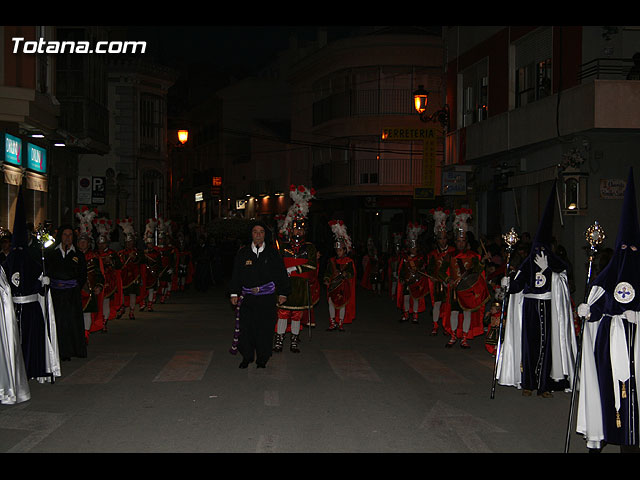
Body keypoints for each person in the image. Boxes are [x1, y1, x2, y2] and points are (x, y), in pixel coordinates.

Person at [577, 168, 640, 450]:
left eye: (633, 249)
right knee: (603, 387)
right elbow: (598, 305)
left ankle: (632, 439)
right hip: (607, 344)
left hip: (636, 343)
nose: (628, 254)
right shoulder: (608, 276)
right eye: (624, 248)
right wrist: (587, 311)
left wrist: (637, 316)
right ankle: (599, 436)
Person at [497, 184, 576, 397]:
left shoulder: (555, 263)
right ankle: (528, 383)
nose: (539, 252)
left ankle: (545, 385)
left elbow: (565, 279)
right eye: (536, 248)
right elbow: (517, 286)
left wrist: (549, 270)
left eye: (543, 249)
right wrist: (507, 283)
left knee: (547, 346)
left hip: (549, 307)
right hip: (530, 307)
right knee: (529, 346)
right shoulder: (527, 264)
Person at [3, 187, 60, 382]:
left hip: (30, 309)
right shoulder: (6, 263)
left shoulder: (34, 261)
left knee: (31, 341)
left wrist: (43, 283)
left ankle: (34, 368)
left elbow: (42, 290)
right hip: (11, 309)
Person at [229, 221, 290, 368]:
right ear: (251, 234)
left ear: (265, 235)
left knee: (265, 329)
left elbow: (281, 273)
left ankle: (262, 358)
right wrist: (233, 293)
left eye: (261, 232)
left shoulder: (272, 253)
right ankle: (247, 356)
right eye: (255, 232)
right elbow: (236, 274)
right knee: (247, 329)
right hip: (248, 299)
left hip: (266, 299)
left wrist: (283, 292)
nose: (258, 235)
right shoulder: (243, 253)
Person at [275, 184, 318, 353]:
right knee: (283, 314)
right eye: (295, 229)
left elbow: (312, 265)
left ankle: (293, 341)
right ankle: (279, 341)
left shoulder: (310, 248)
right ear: (290, 231)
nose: (298, 232)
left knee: (296, 315)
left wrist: (294, 270)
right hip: (285, 285)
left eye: (300, 229)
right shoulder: (283, 247)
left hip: (300, 287)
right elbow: (277, 265)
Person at [440, 209, 487, 348]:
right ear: (455, 241)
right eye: (459, 241)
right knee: (454, 312)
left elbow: (477, 271)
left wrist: (483, 261)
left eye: (463, 241)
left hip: (467, 289)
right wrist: (448, 279)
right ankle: (453, 336)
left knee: (467, 313)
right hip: (455, 288)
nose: (461, 243)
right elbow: (442, 271)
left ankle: (464, 338)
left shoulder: (473, 256)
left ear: (466, 242)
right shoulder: (450, 255)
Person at [46, 224, 88, 361]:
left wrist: (74, 286)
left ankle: (72, 350)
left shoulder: (78, 254)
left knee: (71, 321)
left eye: (70, 235)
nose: (67, 238)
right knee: (58, 321)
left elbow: (82, 274)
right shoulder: (51, 252)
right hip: (56, 293)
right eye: (65, 235)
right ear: (60, 237)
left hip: (71, 294)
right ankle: (57, 350)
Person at [324, 220, 356, 331]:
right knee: (331, 303)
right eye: (337, 250)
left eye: (340, 250)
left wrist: (345, 274)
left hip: (343, 286)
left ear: (344, 250)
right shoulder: (332, 261)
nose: (338, 252)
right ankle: (332, 322)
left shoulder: (348, 261)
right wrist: (327, 279)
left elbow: (352, 273)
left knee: (342, 304)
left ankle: (340, 322)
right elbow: (328, 272)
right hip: (333, 285)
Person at [427, 207, 454, 335]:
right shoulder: (433, 254)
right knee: (437, 304)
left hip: (451, 282)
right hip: (438, 281)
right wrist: (432, 276)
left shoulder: (453, 252)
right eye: (440, 239)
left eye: (444, 238)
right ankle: (435, 325)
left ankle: (448, 326)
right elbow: (431, 267)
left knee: (450, 306)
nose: (442, 241)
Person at [93, 218, 123, 331]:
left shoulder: (112, 254)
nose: (101, 246)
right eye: (99, 244)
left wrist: (111, 262)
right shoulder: (94, 254)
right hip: (97, 280)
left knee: (105, 302)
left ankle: (104, 322)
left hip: (109, 281)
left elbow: (119, 266)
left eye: (103, 243)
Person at [396, 222, 428, 324]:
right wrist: (401, 277)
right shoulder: (405, 258)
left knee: (415, 299)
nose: (413, 249)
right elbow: (401, 269)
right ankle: (405, 314)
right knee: (406, 298)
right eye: (411, 247)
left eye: (414, 248)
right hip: (407, 280)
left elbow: (423, 269)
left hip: (416, 281)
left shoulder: (420, 258)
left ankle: (415, 315)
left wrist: (420, 272)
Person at [117, 218, 144, 320]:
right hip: (124, 276)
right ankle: (122, 307)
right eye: (127, 242)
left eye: (131, 242)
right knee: (123, 293)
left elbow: (140, 261)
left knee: (132, 293)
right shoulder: (121, 253)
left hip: (134, 275)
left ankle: (132, 311)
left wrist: (135, 257)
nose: (129, 244)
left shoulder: (137, 252)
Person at [141, 219, 160, 312]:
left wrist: (158, 272)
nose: (150, 245)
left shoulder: (156, 253)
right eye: (148, 244)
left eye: (151, 244)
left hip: (153, 272)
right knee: (144, 289)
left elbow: (158, 262)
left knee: (152, 289)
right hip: (145, 272)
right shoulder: (143, 253)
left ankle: (150, 304)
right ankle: (143, 303)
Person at [387, 232, 403, 300]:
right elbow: (391, 264)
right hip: (394, 271)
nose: (397, 250)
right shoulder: (392, 258)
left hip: (400, 272)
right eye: (396, 248)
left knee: (399, 284)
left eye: (398, 248)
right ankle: (393, 295)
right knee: (394, 284)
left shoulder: (401, 256)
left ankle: (398, 295)